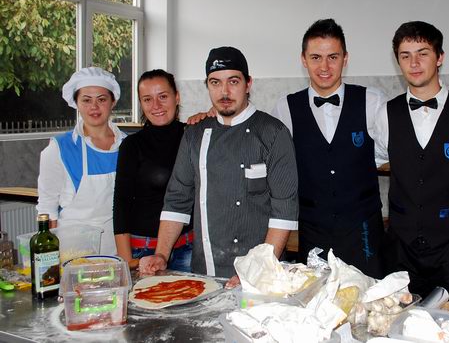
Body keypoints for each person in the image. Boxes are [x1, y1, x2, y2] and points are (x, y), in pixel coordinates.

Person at [139, 47, 299, 287]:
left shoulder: (273, 133)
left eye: (233, 81)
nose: (224, 92)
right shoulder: (195, 134)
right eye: (215, 82)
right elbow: (177, 200)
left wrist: (258, 270)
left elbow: (284, 210)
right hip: (206, 271)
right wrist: (161, 254)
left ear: (248, 84)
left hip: (261, 273)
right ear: (207, 85)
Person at [374, 21, 449, 300]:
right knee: (398, 320)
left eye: (423, 53)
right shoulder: (385, 114)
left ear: (439, 57)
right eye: (405, 56)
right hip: (401, 249)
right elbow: (375, 159)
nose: (414, 63)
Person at [272, 18, 386, 278]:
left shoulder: (372, 101)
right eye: (316, 57)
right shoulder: (285, 108)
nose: (324, 67)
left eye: (332, 57)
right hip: (313, 231)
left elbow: (393, 149)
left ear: (345, 58)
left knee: (370, 298)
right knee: (315, 296)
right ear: (303, 60)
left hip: (363, 232)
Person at [37, 67, 126, 255]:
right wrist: (50, 257)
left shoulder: (128, 145)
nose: (94, 107)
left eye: (101, 99)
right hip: (73, 248)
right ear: (76, 103)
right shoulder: (60, 148)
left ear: (113, 102)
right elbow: (47, 207)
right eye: (86, 100)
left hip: (118, 246)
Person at [113, 69, 193, 271]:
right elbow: (121, 204)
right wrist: (127, 262)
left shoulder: (194, 136)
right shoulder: (132, 145)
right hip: (144, 251)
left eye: (163, 97)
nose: (156, 106)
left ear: (177, 97)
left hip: (189, 249)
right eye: (147, 99)